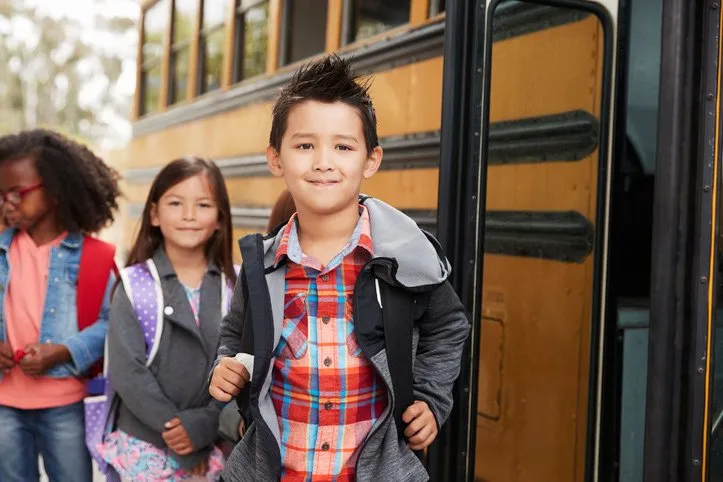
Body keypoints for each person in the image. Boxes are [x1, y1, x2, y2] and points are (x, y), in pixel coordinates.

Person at [209, 55, 470, 481]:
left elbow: (449, 326)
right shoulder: (262, 266)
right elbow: (234, 337)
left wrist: (431, 398)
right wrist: (227, 367)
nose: (323, 161)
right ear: (276, 158)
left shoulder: (405, 258)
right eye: (305, 145)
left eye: (344, 146)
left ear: (371, 160)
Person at [99, 157, 239, 481]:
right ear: (154, 214)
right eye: (175, 203)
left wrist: (204, 425)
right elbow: (128, 372)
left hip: (214, 446)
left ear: (220, 218)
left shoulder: (234, 286)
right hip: (145, 448)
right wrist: (180, 434)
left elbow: (242, 367)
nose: (189, 215)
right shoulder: (134, 284)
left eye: (203, 205)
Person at [0, 128, 121, 482]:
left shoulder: (94, 257)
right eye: (1, 193)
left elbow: (112, 321)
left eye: (17, 193)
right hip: (5, 403)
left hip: (65, 403)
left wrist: (65, 350)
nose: (7, 202)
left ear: (54, 191)